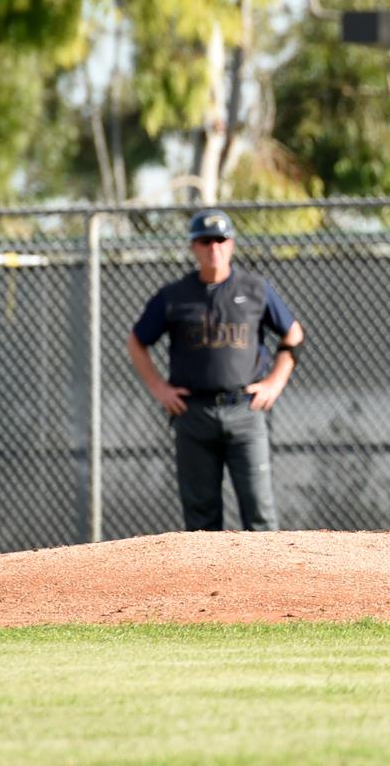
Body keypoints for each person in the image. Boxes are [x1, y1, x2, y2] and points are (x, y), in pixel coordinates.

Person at [126, 208, 305, 531]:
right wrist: (158, 388)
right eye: (205, 241)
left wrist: (275, 383)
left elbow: (293, 333)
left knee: (260, 515)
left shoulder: (255, 289)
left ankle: (266, 582)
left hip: (244, 410)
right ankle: (207, 584)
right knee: (201, 521)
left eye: (220, 240)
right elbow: (137, 342)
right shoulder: (175, 296)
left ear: (231, 244)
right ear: (194, 247)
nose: (214, 248)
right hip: (194, 413)